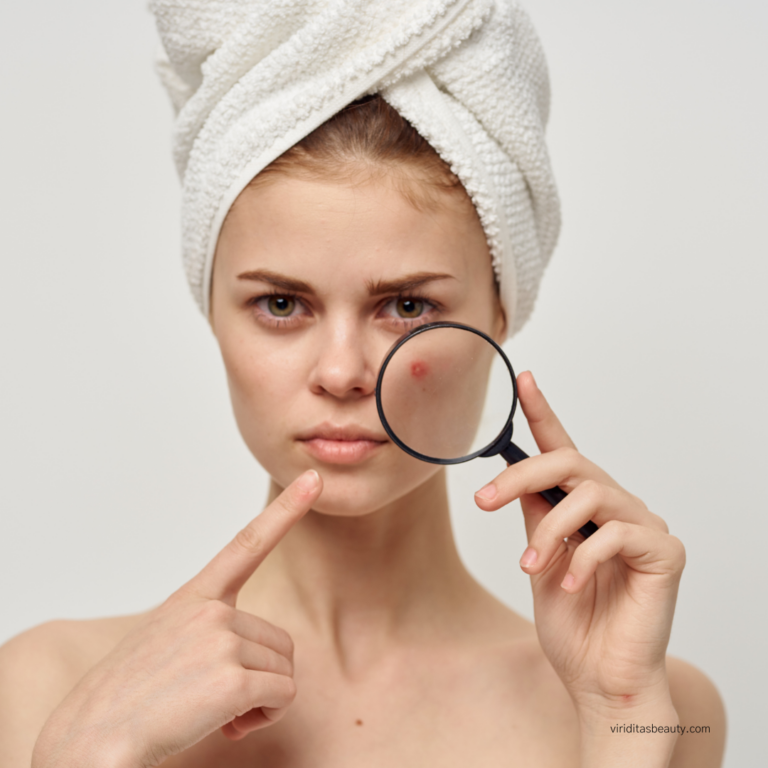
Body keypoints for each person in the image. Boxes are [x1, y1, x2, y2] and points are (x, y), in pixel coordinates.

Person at [0, 2, 726, 767]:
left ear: (502, 309)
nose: (343, 373)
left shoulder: (655, 705)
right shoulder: (46, 687)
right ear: (210, 309)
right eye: (280, 305)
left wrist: (619, 717)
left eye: (407, 307)